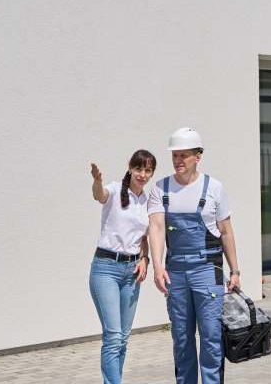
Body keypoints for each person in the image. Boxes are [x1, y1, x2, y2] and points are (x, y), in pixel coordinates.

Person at [148, 127, 242, 384]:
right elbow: (156, 228)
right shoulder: (161, 188)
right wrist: (157, 267)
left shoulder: (214, 188)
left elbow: (226, 231)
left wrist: (234, 271)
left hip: (207, 270)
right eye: (175, 156)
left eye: (184, 156)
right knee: (181, 337)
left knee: (211, 336)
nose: (178, 161)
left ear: (198, 156)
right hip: (175, 270)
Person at [89, 150, 157, 384]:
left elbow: (145, 239)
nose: (143, 174)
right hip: (106, 268)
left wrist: (145, 259)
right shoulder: (116, 190)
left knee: (123, 338)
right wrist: (97, 182)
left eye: (148, 170)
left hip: (131, 273)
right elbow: (100, 195)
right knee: (113, 336)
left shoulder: (147, 201)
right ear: (130, 167)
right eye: (139, 169)